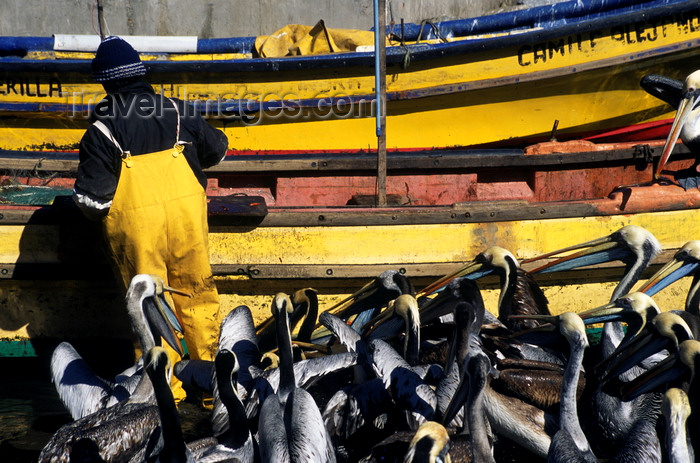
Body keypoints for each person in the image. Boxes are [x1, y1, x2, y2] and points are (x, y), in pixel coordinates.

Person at [73, 35, 228, 403]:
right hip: (187, 223)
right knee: (199, 297)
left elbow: (94, 202)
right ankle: (214, 389)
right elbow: (217, 151)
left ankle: (166, 392)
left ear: (105, 82)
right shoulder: (178, 111)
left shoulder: (101, 130)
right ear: (141, 71)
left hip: (139, 233)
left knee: (149, 308)